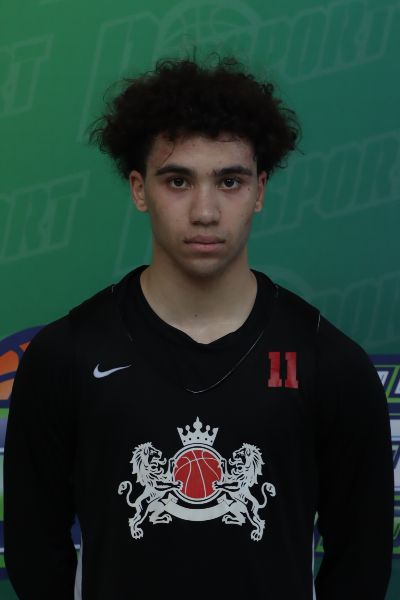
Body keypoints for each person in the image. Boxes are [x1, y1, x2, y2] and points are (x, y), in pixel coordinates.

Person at [4, 54, 394, 600]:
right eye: (178, 181)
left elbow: (362, 564)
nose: (205, 211)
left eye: (230, 181)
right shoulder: (66, 355)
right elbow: (33, 552)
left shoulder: (329, 364)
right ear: (139, 190)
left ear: (260, 190)